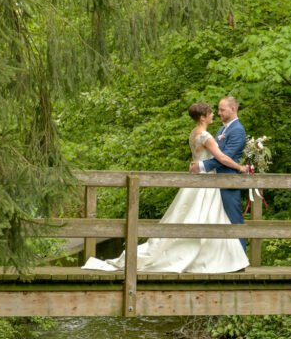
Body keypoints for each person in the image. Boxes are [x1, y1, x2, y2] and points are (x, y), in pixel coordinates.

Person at [82, 102, 250, 273]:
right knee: (203, 216)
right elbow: (222, 157)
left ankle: (215, 258)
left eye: (219, 110)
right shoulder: (205, 135)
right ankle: (214, 260)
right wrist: (240, 168)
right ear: (202, 117)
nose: (214, 114)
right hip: (206, 183)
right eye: (211, 112)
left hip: (197, 180)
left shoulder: (194, 133)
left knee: (197, 216)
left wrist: (200, 165)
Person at [189, 96, 247, 249]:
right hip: (213, 181)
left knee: (233, 219)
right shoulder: (222, 129)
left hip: (228, 180)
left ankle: (240, 257)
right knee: (216, 219)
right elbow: (218, 155)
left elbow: (224, 156)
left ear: (233, 109)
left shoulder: (238, 130)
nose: (219, 112)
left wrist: (201, 165)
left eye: (222, 109)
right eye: (218, 110)